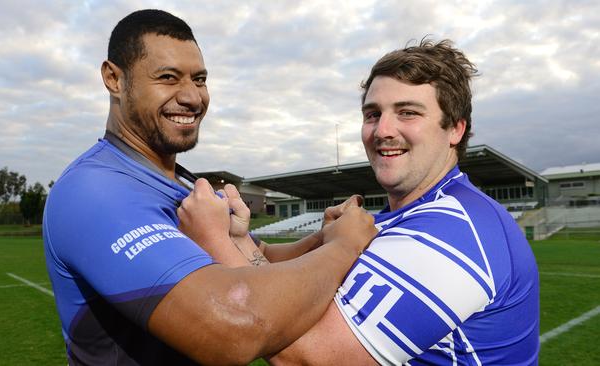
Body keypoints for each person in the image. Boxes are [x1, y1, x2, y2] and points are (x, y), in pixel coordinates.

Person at [42, 9, 376, 365]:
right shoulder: (93, 192)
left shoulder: (183, 184)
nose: (192, 97)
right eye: (168, 78)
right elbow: (232, 331)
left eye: (199, 79)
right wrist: (344, 246)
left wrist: (322, 238)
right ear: (114, 79)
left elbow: (257, 257)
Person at [196, 39, 540, 365]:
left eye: (407, 113)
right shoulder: (394, 218)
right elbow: (283, 297)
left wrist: (213, 239)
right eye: (372, 114)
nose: (382, 130)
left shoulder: (454, 229)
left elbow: (306, 356)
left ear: (455, 130)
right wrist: (239, 239)